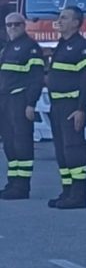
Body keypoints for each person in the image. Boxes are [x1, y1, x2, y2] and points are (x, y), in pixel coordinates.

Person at [47, 6, 86, 209]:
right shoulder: (62, 44)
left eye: (65, 18)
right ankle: (66, 191)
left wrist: (81, 108)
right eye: (60, 17)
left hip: (71, 106)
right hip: (57, 105)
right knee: (61, 151)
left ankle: (78, 195)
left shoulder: (81, 47)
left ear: (76, 23)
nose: (60, 21)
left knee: (73, 149)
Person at [0, 13, 44, 199]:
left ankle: (22, 186)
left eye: (16, 24)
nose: (12, 28)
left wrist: (30, 104)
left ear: (24, 26)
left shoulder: (31, 48)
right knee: (9, 144)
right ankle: (12, 183)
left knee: (22, 143)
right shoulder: (6, 49)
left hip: (20, 100)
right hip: (5, 101)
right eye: (8, 25)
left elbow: (36, 79)